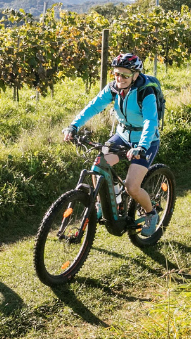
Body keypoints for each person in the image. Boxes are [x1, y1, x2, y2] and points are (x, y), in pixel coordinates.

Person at [63, 53, 163, 236]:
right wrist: (74, 125)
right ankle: (105, 202)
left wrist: (141, 147)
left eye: (125, 75)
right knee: (99, 164)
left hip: (145, 141)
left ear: (135, 75)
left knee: (132, 187)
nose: (120, 78)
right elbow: (94, 106)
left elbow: (150, 121)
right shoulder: (113, 89)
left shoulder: (145, 92)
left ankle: (151, 213)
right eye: (116, 74)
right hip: (123, 136)